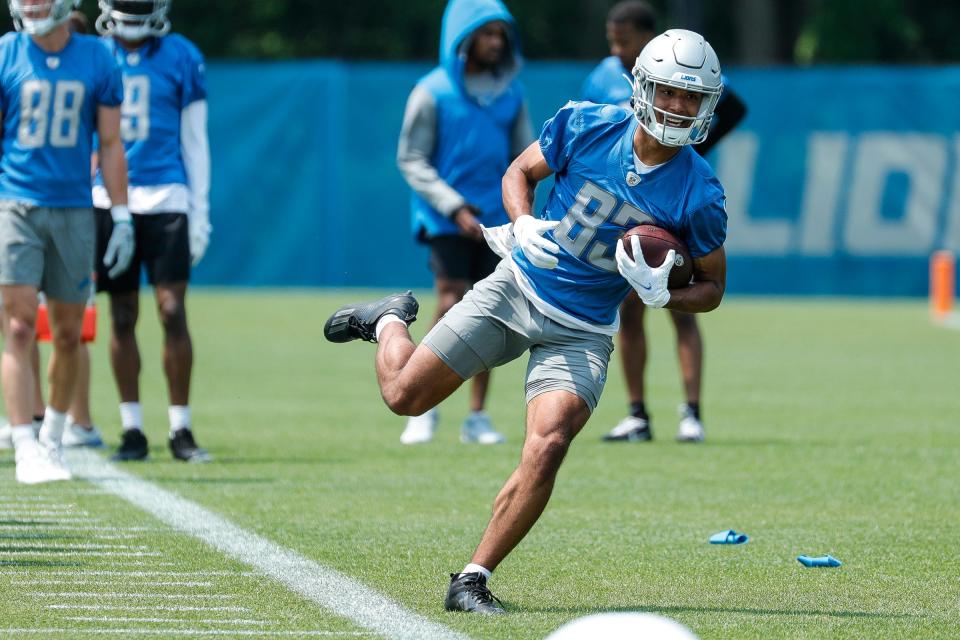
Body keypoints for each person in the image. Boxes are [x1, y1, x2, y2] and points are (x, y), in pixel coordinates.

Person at [324, 29, 728, 612]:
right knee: (403, 397)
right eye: (670, 91)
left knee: (549, 443)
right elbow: (519, 173)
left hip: (584, 328)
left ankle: (472, 578)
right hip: (518, 287)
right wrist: (521, 224)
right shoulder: (588, 124)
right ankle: (388, 320)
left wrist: (667, 295)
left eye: (694, 97)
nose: (680, 107)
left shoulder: (700, 192)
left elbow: (713, 288)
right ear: (642, 87)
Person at [582, 1, 746, 443]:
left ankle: (692, 413)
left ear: (645, 40)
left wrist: (685, 150)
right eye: (611, 40)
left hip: (674, 198)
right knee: (629, 310)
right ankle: (637, 413)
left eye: (624, 40)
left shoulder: (679, 66)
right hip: (627, 199)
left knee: (680, 301)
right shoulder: (602, 76)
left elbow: (731, 107)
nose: (616, 49)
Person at [0, 0, 132, 484]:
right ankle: (23, 444)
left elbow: (111, 143)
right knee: (16, 328)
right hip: (14, 204)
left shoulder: (97, 57)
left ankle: (53, 437)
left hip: (75, 207)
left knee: (69, 333)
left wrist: (121, 216)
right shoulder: (6, 53)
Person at [395, 0, 532, 445]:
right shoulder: (431, 91)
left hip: (497, 222)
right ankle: (422, 407)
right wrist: (454, 206)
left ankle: (477, 415)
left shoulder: (511, 93)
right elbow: (411, 159)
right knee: (452, 300)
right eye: (486, 33)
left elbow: (525, 157)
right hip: (446, 219)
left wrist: (522, 214)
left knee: (492, 308)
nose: (495, 43)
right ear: (462, 36)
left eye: (500, 35)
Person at [93, 0, 212, 462]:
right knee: (122, 315)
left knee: (171, 309)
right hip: (110, 199)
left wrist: (199, 211)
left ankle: (180, 428)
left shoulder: (182, 54)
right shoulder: (95, 54)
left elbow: (195, 140)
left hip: (166, 197)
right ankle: (132, 429)